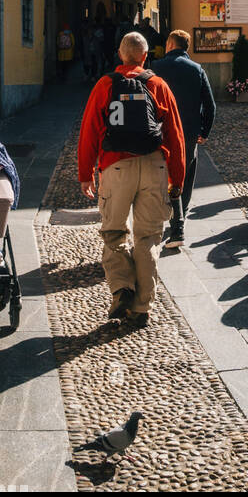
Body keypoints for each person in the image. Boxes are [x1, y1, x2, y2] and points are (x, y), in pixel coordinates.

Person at [77, 32, 187, 325]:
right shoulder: (158, 85)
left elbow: (89, 130)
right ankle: (141, 308)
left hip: (115, 167)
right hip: (153, 167)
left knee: (114, 233)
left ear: (120, 55)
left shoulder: (104, 85)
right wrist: (177, 177)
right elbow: (175, 136)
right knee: (148, 237)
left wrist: (86, 173)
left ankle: (122, 288)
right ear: (145, 56)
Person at [151, 29, 217, 251]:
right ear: (186, 47)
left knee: (162, 173)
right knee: (185, 175)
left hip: (160, 131)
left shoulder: (156, 67)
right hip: (187, 132)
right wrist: (204, 131)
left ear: (170, 44)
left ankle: (165, 216)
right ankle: (181, 217)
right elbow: (210, 106)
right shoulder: (196, 69)